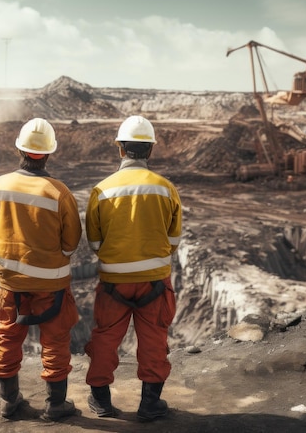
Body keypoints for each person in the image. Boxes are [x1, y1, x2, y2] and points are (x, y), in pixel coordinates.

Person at [0, 117, 82, 420]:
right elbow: (71, 242)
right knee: (55, 341)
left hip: (10, 283)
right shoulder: (58, 192)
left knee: (7, 338)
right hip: (52, 286)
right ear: (48, 153)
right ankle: (55, 404)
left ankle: (8, 402)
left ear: (19, 151)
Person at [83, 115, 182, 422]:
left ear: (120, 149)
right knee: (153, 340)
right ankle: (150, 404)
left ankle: (101, 401)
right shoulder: (166, 189)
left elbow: (95, 243)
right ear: (150, 150)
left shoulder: (102, 190)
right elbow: (173, 240)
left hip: (114, 283)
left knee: (105, 339)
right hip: (154, 283)